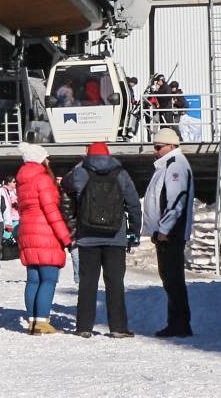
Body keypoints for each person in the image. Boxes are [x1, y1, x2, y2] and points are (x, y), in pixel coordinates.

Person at [62, 141, 140, 338]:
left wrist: (82, 163)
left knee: (88, 282)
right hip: (116, 236)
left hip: (88, 236)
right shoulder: (120, 173)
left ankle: (83, 327)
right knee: (115, 282)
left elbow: (65, 184)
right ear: (109, 154)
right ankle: (118, 327)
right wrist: (134, 231)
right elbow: (133, 203)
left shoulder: (81, 172)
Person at [143, 126, 195, 337]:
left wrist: (164, 228)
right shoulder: (167, 165)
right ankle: (177, 322)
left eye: (158, 146)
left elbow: (176, 200)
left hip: (171, 233)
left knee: (173, 278)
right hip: (166, 231)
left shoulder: (175, 166)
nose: (155, 150)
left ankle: (180, 323)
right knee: (169, 278)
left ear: (171, 146)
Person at [14, 142, 71, 334]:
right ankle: (42, 321)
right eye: (46, 156)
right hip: (45, 232)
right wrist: (65, 237)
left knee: (33, 280)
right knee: (48, 279)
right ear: (39, 159)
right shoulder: (43, 179)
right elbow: (51, 210)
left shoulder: (23, 181)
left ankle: (32, 321)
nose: (49, 160)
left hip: (27, 231)